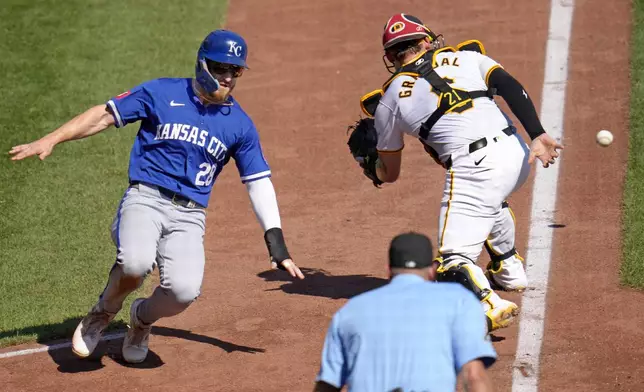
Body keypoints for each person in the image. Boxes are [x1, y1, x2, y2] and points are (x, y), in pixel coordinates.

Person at [9, 29, 305, 363]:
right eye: (220, 68)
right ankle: (102, 312)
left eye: (234, 71)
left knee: (183, 293)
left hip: (190, 216)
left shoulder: (239, 124)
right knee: (136, 264)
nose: (227, 78)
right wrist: (52, 138)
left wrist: (276, 242)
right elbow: (104, 115)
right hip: (145, 199)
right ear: (202, 64)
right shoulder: (162, 92)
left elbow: (258, 182)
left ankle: (141, 319)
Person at [349, 13, 563, 331]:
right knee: (488, 202)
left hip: (476, 168)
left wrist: (373, 168)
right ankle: (508, 269)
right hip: (518, 155)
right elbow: (508, 85)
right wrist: (537, 133)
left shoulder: (390, 99)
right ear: (426, 41)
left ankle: (489, 304)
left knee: (451, 261)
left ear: (391, 58)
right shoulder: (466, 57)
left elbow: (389, 172)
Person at [313, 232, 496, 392]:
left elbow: (328, 384)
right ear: (432, 271)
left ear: (388, 271)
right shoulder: (460, 301)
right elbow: (474, 377)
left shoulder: (350, 311)